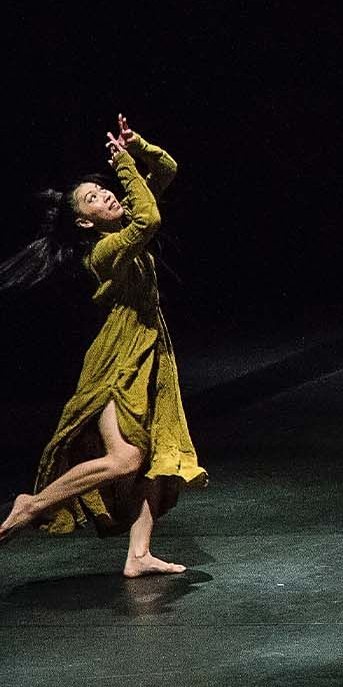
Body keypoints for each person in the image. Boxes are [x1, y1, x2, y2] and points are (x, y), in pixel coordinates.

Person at [0, 116, 207, 578]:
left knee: (159, 456)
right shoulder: (104, 252)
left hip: (153, 353)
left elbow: (166, 170)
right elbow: (150, 216)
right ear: (83, 220)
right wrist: (125, 169)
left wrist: (137, 148)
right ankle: (33, 503)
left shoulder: (124, 228)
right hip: (116, 357)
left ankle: (138, 554)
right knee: (126, 458)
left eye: (102, 188)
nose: (106, 193)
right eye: (93, 197)